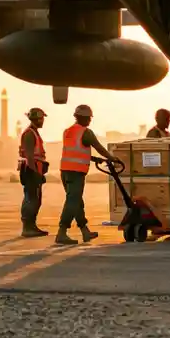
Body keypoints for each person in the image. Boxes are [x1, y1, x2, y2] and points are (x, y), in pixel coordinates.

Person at [55, 104, 118, 246]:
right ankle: (61, 232)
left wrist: (93, 158)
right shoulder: (86, 132)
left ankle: (85, 231)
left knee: (76, 202)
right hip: (76, 172)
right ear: (84, 118)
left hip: (65, 171)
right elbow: (99, 147)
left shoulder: (68, 131)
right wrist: (113, 158)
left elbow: (76, 150)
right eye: (89, 118)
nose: (90, 121)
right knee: (72, 201)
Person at [17, 107, 50, 238]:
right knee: (31, 198)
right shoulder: (30, 133)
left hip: (35, 169)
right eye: (41, 119)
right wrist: (35, 173)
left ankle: (32, 226)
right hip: (31, 170)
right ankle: (28, 227)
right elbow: (30, 156)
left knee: (35, 199)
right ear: (36, 119)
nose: (43, 121)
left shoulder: (34, 132)